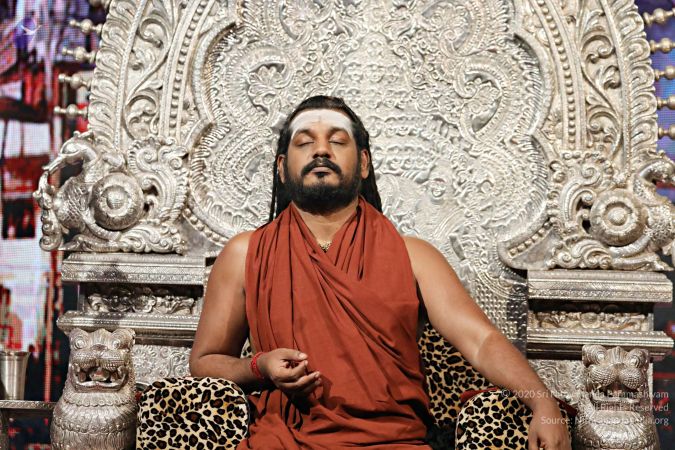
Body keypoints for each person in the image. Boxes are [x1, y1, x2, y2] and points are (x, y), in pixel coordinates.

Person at [190, 96, 572, 449]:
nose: (321, 150)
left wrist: (543, 403)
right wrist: (258, 366)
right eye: (304, 142)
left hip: (393, 441)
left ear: (364, 163)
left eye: (337, 141)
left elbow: (481, 341)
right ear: (281, 168)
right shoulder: (246, 253)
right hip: (284, 440)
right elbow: (205, 362)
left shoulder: (414, 256)